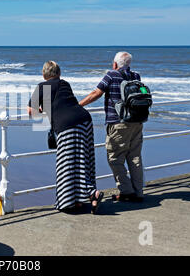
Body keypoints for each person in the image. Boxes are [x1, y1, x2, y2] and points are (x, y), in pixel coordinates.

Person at [28, 61, 104, 214]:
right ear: (59, 74)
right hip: (85, 120)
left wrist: (42, 109)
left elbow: (32, 112)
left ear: (44, 75)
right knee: (84, 160)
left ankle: (70, 202)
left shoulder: (42, 87)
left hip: (67, 125)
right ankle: (90, 196)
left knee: (67, 163)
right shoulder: (65, 83)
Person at [79, 52, 144, 202]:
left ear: (115, 64)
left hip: (118, 123)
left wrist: (79, 105)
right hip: (136, 122)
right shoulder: (136, 76)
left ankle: (127, 191)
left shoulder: (111, 75)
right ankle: (138, 192)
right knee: (135, 158)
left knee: (115, 158)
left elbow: (97, 93)